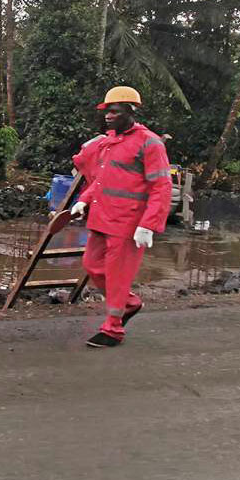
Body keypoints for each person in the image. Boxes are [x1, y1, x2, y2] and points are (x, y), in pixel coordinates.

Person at [70, 86, 172, 348]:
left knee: (118, 276)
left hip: (128, 223)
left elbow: (161, 186)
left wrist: (148, 225)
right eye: (107, 111)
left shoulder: (149, 143)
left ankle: (113, 329)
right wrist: (83, 200)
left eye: (114, 111)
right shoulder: (110, 142)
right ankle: (129, 303)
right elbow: (101, 180)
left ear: (130, 111)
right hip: (102, 217)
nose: (108, 116)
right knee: (92, 265)